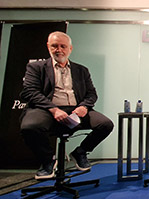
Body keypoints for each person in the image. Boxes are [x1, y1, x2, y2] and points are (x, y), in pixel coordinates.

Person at [20, 31, 114, 180]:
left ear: (70, 48)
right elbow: (30, 91)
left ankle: (81, 152)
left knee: (105, 124)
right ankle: (48, 160)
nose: (59, 50)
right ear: (48, 47)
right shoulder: (36, 67)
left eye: (63, 46)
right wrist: (53, 109)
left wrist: (84, 107)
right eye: (55, 46)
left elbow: (91, 94)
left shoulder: (81, 70)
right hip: (46, 109)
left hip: (76, 109)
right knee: (29, 127)